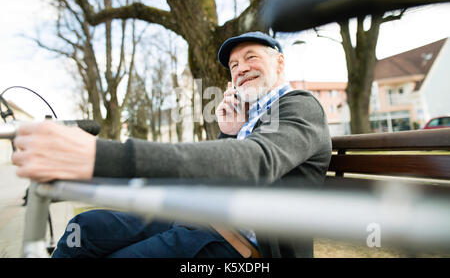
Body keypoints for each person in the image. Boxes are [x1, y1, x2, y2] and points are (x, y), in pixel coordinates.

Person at [11, 31, 332, 258]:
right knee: (82, 229)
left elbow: (256, 161)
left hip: (241, 245)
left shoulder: (297, 105)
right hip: (199, 217)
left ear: (279, 64)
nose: (241, 68)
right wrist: (229, 132)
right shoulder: (251, 115)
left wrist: (100, 155)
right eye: (233, 65)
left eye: (251, 57)